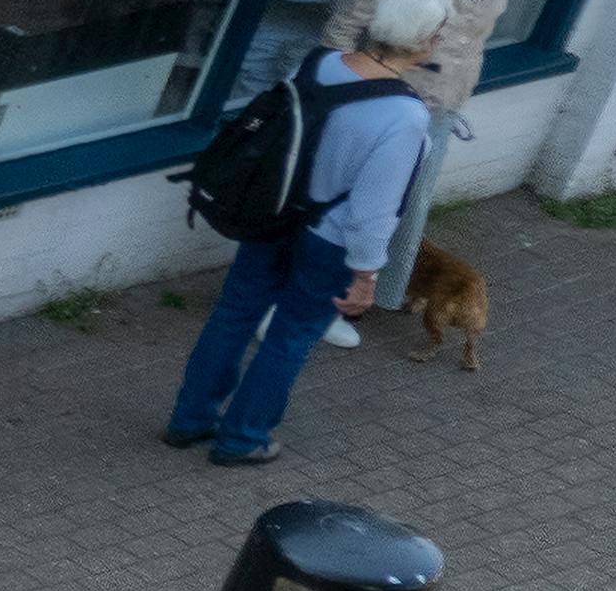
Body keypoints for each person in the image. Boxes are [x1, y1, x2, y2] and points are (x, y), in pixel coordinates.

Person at [309, 0, 546, 345]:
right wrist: (334, 90)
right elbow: (347, 24)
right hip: (385, 97)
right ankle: (315, 299)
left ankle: (358, 294)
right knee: (356, 202)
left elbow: (473, 30)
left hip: (443, 101)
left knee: (405, 205)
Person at [168, 54, 436, 465]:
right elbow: (374, 211)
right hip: (328, 239)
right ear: (424, 41)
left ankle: (189, 420)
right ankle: (242, 439)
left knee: (233, 313)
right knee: (290, 336)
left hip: (271, 214)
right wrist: (366, 275)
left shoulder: (318, 62)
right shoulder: (406, 115)